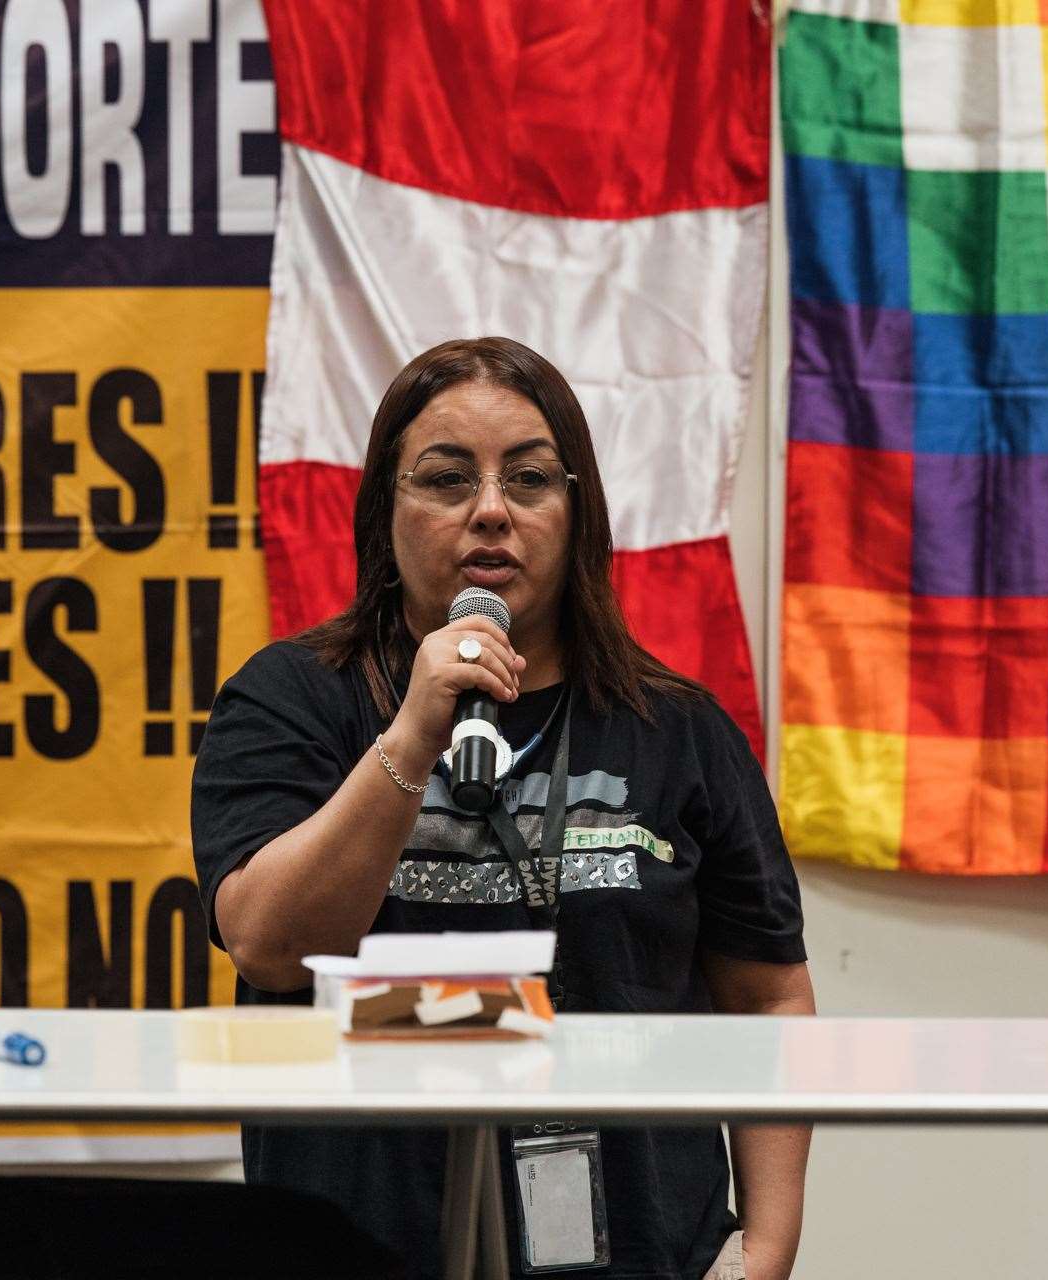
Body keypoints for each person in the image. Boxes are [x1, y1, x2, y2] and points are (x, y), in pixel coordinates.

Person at [192, 337, 815, 1279]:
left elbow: (766, 998)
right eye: (446, 480)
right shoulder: (291, 702)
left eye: (528, 479)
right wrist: (411, 733)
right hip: (357, 1241)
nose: (490, 510)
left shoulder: (677, 729)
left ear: (576, 512)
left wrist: (764, 1251)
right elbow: (270, 947)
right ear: (385, 514)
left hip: (643, 1248)